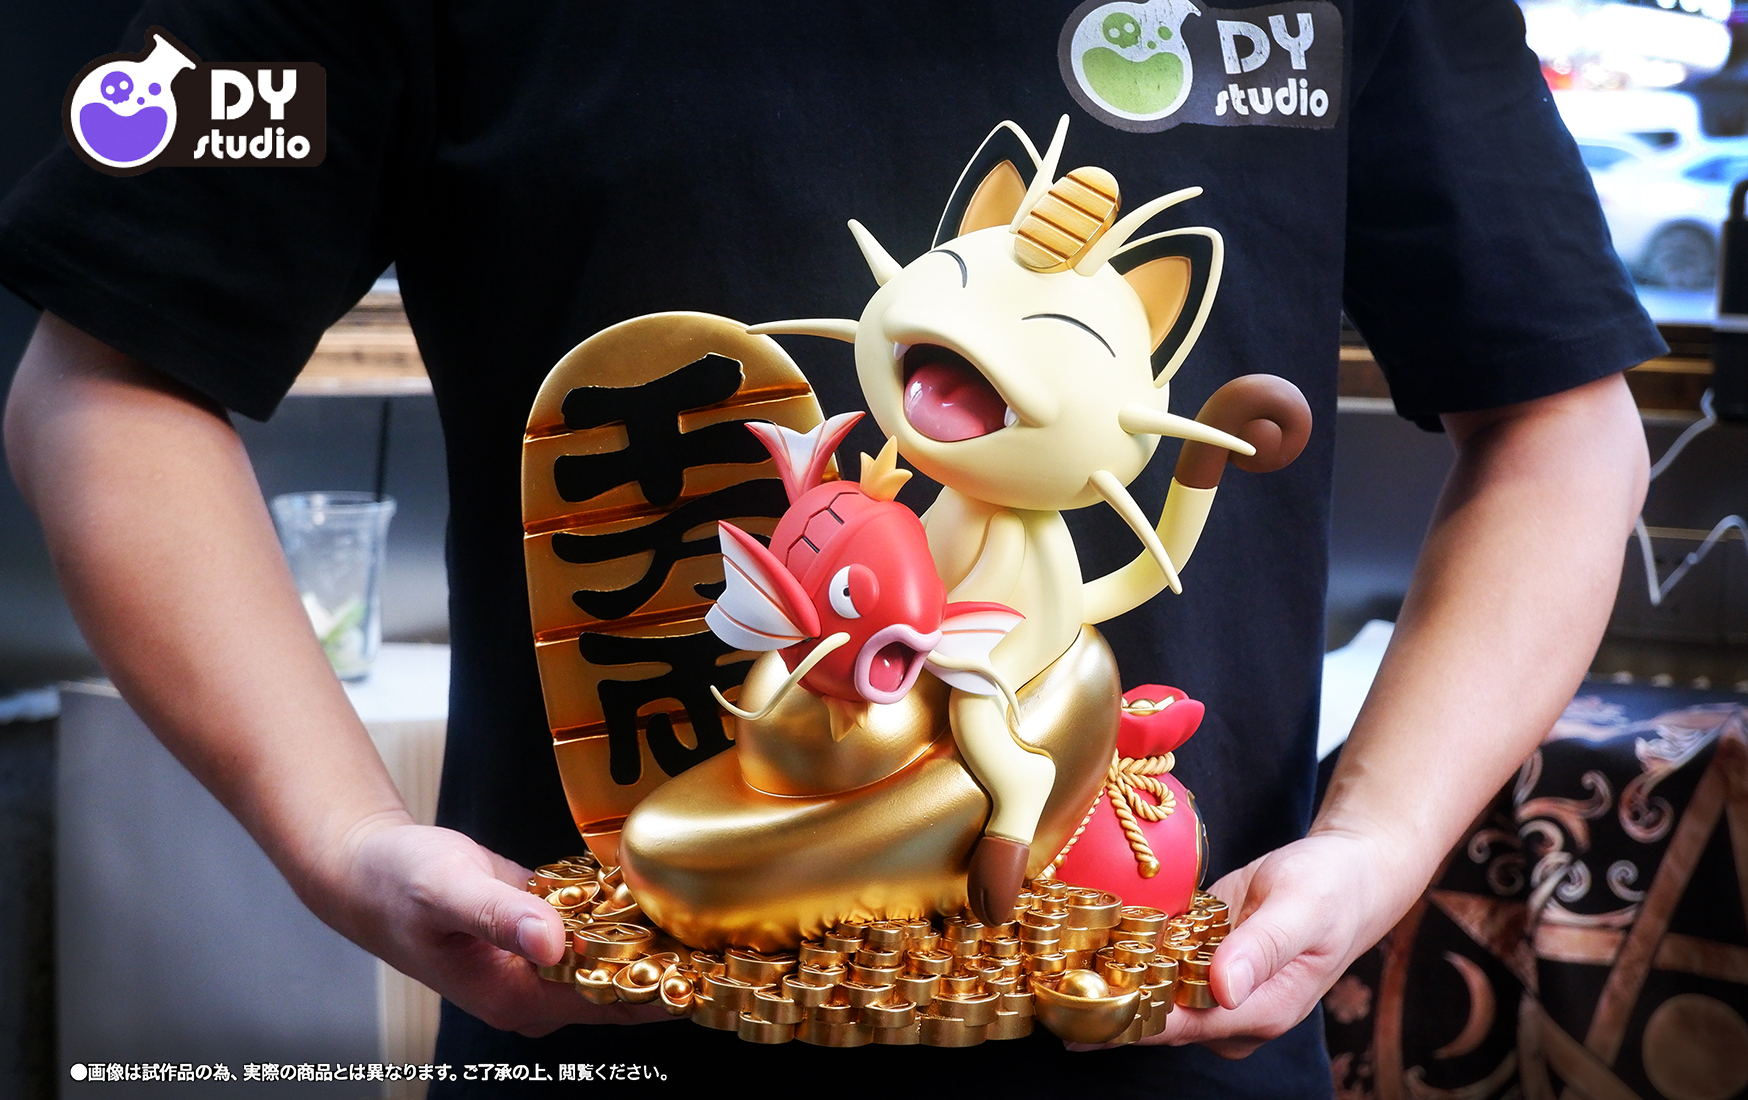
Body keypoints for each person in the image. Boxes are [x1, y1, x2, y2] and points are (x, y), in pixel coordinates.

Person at [1, 1, 1656, 1095]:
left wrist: (1378, 843)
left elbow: (1561, 426)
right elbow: (109, 382)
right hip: (601, 1033)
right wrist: (338, 836)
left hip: (1174, 1049)